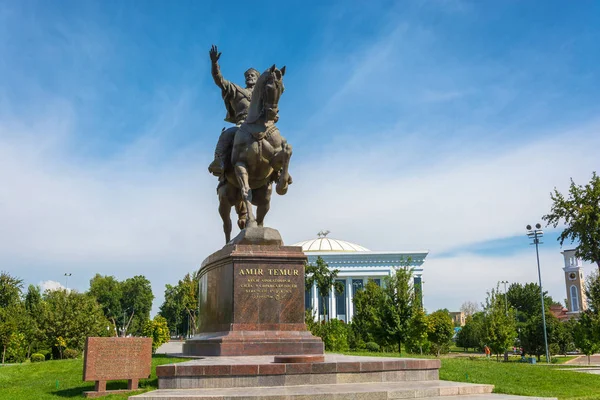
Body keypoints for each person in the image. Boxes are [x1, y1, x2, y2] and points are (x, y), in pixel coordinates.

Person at [208, 45, 260, 176]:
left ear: (258, 78)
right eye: (247, 75)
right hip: (242, 124)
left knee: (278, 141)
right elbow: (219, 80)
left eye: (252, 75)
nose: (249, 77)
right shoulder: (237, 90)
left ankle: (279, 168)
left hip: (261, 125)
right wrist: (215, 63)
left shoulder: (263, 96)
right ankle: (218, 162)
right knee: (226, 135)